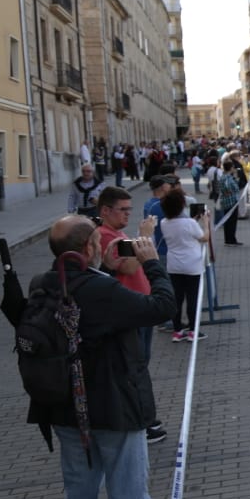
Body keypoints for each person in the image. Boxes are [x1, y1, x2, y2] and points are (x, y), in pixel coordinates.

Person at [28, 215, 183, 499]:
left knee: (79, 498)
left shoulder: (43, 284)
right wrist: (151, 263)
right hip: (113, 408)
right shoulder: (97, 289)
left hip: (64, 410)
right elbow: (162, 307)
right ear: (91, 246)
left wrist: (108, 272)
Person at [96, 186, 167, 445]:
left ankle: (145, 417)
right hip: (128, 311)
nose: (127, 214)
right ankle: (141, 421)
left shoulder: (116, 232)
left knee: (140, 365)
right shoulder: (105, 235)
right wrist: (143, 237)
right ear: (105, 210)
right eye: (122, 210)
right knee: (134, 368)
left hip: (138, 308)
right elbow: (128, 265)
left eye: (129, 210)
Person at [158, 188, 210, 342]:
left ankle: (177, 330)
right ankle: (193, 330)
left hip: (174, 264)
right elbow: (204, 237)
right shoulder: (189, 223)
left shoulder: (164, 223)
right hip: (192, 264)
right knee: (192, 298)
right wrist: (205, 223)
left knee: (177, 298)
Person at [217, 161, 243, 246]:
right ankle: (231, 240)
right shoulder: (228, 177)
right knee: (232, 221)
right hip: (231, 202)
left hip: (225, 201)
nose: (234, 169)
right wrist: (229, 191)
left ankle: (228, 239)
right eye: (233, 167)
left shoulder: (223, 176)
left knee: (227, 221)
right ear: (230, 168)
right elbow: (235, 188)